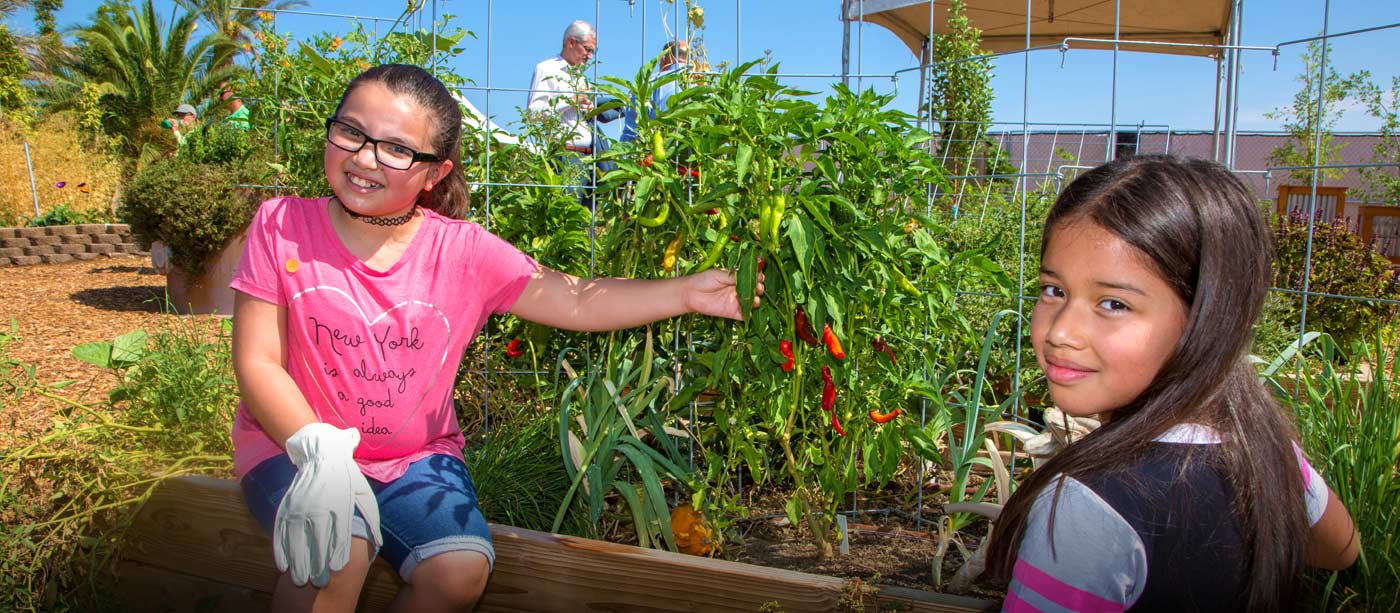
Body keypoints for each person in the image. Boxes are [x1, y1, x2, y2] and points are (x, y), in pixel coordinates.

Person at [230, 63, 760, 611]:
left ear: (436, 174)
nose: (365, 158)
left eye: (396, 149)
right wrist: (317, 450)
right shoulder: (282, 225)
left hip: (413, 458)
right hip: (290, 445)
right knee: (338, 547)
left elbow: (574, 298)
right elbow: (258, 362)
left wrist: (687, 293)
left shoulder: (462, 252)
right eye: (351, 132)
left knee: (458, 571)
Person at [984, 155, 1359, 611]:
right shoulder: (1265, 447)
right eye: (1054, 290)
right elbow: (1341, 548)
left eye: (1114, 303)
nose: (1060, 331)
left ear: (1205, 319)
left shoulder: (1086, 506)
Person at [526, 20, 601, 154]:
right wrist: (570, 100)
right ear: (571, 42)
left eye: (592, 52)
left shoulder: (582, 78)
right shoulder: (546, 69)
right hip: (564, 154)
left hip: (588, 156)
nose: (590, 56)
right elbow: (533, 114)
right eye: (587, 49)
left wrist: (589, 111)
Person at [621, 40, 689, 143]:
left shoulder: (651, 82)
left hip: (657, 150)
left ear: (663, 59)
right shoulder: (702, 83)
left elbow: (632, 131)